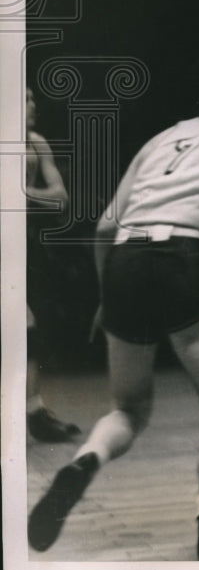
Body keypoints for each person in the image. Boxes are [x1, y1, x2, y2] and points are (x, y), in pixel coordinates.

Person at [28, 53, 199, 560]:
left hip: (124, 262)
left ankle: (83, 462)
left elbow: (107, 227)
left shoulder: (158, 141)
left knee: (128, 409)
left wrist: (104, 297)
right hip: (184, 258)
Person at [25, 87, 81, 443]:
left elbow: (60, 198)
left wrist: (17, 194)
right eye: (26, 98)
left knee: (27, 328)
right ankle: (32, 410)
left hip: (22, 246)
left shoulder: (36, 142)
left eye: (33, 97)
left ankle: (34, 410)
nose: (34, 105)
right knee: (23, 326)